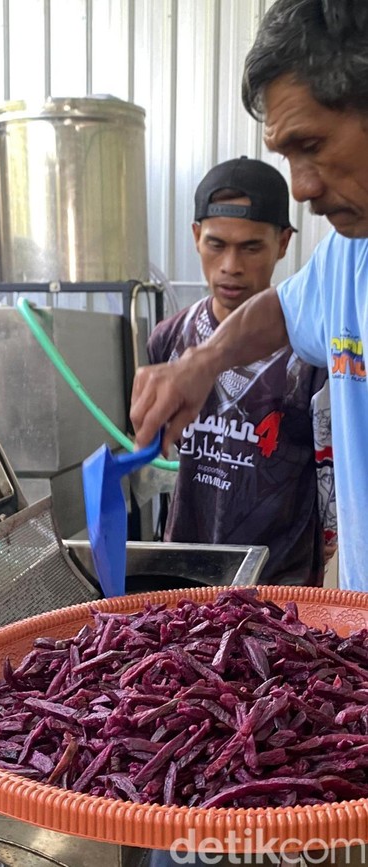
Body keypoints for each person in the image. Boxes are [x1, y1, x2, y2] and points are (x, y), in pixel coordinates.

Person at [131, 0, 368, 592]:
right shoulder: (349, 252)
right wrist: (200, 362)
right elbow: (286, 310)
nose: (304, 186)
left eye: (311, 145)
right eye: (288, 157)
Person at [147, 156, 336, 584]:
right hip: (184, 575)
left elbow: (330, 474)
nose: (231, 265)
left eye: (251, 247)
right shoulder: (169, 338)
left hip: (277, 585)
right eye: (216, 244)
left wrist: (328, 538)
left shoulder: (309, 351)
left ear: (284, 244)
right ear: (196, 236)